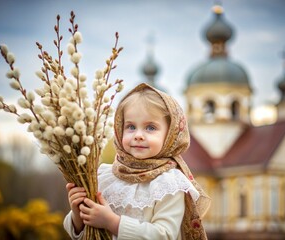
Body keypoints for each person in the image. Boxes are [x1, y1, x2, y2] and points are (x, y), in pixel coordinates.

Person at [63, 83, 211, 240]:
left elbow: (165, 235)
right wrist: (78, 215)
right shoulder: (106, 175)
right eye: (131, 127)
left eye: (150, 128)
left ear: (170, 136)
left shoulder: (169, 184)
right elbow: (81, 233)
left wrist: (112, 222)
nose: (138, 135)